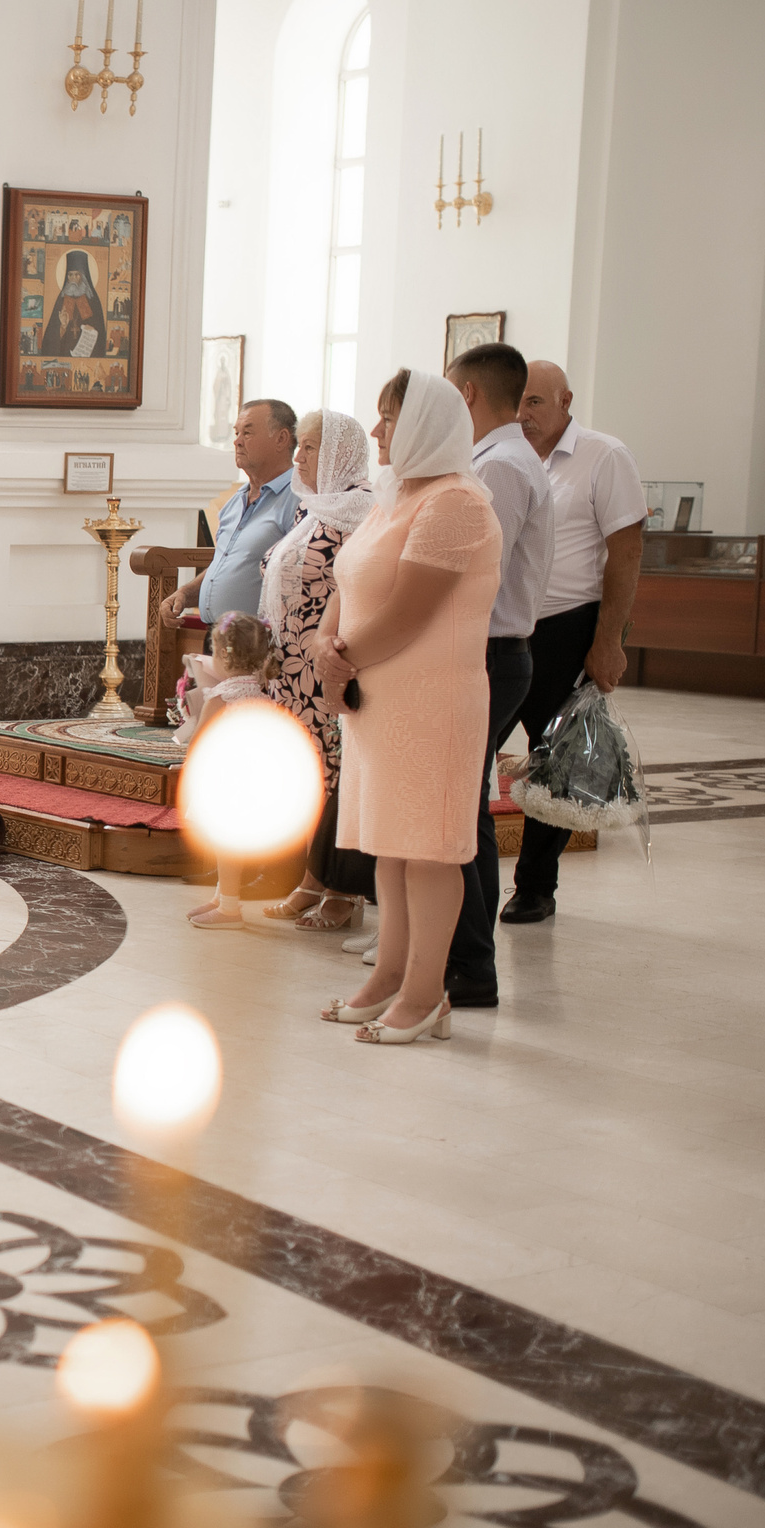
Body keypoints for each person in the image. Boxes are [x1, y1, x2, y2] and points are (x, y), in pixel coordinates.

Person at [313, 369, 504, 1046]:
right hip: (379, 698)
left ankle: (427, 995)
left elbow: (408, 613)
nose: (376, 431)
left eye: (389, 417)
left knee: (429, 850)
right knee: (390, 846)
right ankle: (387, 977)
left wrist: (339, 661)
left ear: (425, 424)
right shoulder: (396, 496)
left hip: (431, 703)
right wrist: (325, 643)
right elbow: (348, 583)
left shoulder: (457, 505)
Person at [503, 360, 645, 925]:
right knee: (477, 746)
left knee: (556, 758)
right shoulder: (505, 456)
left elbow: (627, 552)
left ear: (565, 401)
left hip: (567, 626)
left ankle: (536, 887)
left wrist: (609, 640)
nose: (523, 413)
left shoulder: (603, 456)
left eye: (535, 402)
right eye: (518, 401)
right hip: (506, 625)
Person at [441, 342, 551, 1007]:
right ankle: (461, 957)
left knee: (459, 809)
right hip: (488, 649)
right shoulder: (498, 459)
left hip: (489, 650)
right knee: (464, 805)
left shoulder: (502, 466)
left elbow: (481, 573)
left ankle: (471, 964)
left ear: (468, 394)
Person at [257, 409, 378, 931]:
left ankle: (343, 889)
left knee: (335, 777)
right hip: (291, 672)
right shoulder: (314, 508)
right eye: (300, 446)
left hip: (329, 666)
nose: (298, 456)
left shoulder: (362, 509)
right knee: (309, 777)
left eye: (310, 447)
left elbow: (361, 590)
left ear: (338, 453)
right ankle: (311, 878)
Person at [178, 611, 279, 929]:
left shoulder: (221, 697)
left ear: (222, 655)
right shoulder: (263, 697)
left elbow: (199, 741)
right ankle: (222, 897)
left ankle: (230, 910)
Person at [163, 400, 301, 625]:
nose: (237, 441)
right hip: (216, 634)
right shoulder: (235, 501)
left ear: (281, 439)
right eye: (237, 433)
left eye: (247, 432)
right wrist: (186, 594)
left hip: (258, 639)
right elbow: (225, 564)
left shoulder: (298, 499)